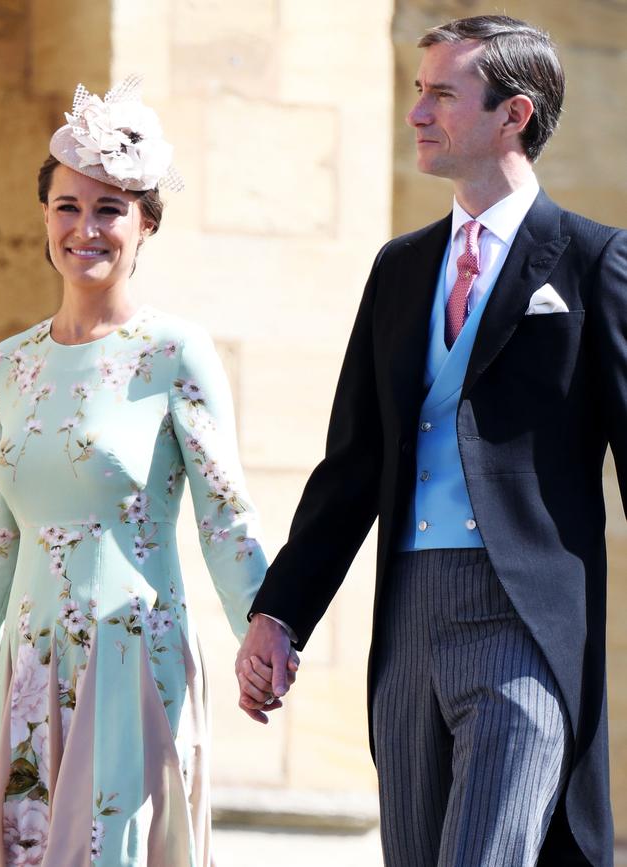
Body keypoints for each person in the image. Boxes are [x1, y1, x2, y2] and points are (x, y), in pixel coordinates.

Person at [236, 14, 627, 867]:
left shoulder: (593, 262)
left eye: (441, 93)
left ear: (513, 115)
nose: (416, 112)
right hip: (407, 616)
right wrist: (279, 612)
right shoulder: (399, 268)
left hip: (522, 620)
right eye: (418, 91)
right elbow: (351, 466)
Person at [0, 75, 290, 866]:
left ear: (147, 225)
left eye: (110, 208)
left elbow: (227, 517)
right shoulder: (9, 365)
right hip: (28, 676)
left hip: (133, 667)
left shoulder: (172, 352)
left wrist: (268, 630)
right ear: (45, 216)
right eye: (68, 207)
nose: (86, 229)